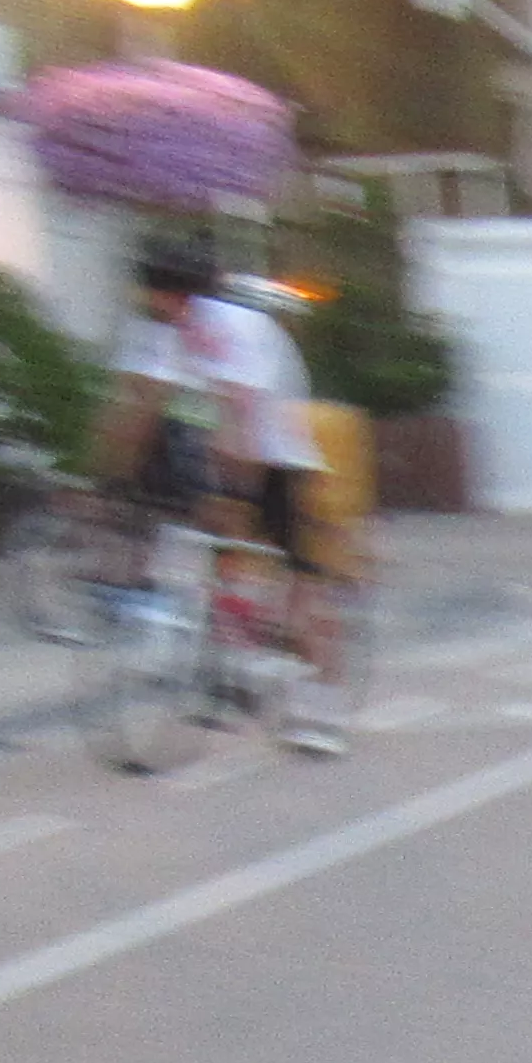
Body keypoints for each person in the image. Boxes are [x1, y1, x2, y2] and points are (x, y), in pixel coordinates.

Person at [96, 233, 350, 756]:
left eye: (151, 291)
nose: (147, 302)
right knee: (200, 556)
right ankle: (230, 658)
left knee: (300, 602)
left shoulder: (237, 327)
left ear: (172, 293)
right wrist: (106, 477)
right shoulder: (170, 331)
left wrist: (229, 489)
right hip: (222, 453)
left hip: (281, 460)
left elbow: (242, 412)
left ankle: (322, 711)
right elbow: (144, 405)